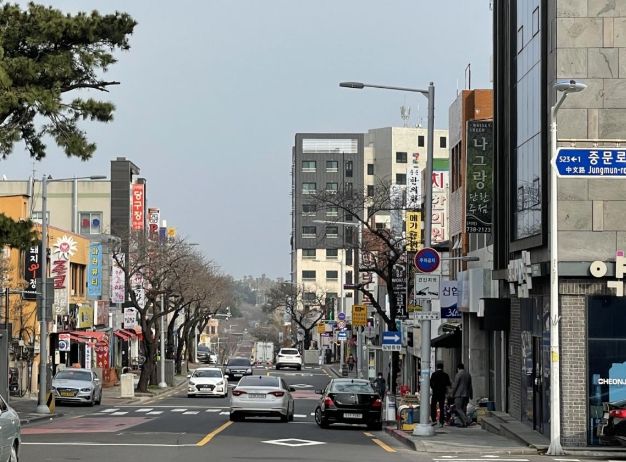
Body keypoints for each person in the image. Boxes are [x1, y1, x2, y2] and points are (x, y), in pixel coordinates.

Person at [450, 363, 473, 427]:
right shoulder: (468, 374)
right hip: (466, 394)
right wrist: (471, 394)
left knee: (458, 408)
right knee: (463, 409)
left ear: (458, 368)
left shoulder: (458, 374)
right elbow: (470, 386)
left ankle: (466, 421)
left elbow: (455, 385)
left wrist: (452, 393)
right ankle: (463, 423)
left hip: (459, 394)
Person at [430, 363, 451, 427]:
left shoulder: (434, 374)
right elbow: (448, 384)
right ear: (442, 367)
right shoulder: (445, 375)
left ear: (437, 367)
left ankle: (434, 420)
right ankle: (441, 421)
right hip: (442, 393)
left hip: (435, 393)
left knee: (433, 406)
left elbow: (431, 383)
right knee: (441, 407)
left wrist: (434, 388)